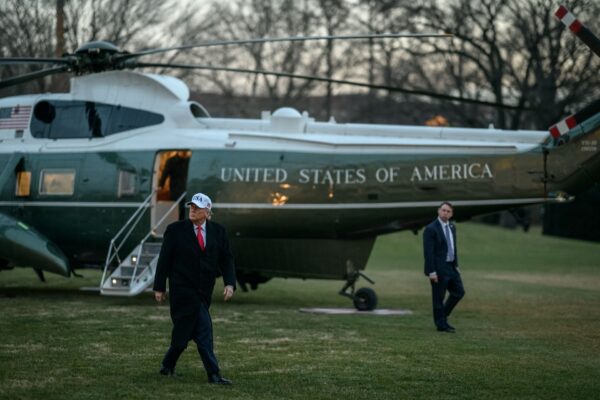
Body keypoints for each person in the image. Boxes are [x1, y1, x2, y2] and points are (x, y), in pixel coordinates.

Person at [153, 192, 236, 384]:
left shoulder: (219, 232)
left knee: (183, 334)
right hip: (182, 291)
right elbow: (164, 260)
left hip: (203, 292)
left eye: (197, 207)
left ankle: (167, 365)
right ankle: (213, 374)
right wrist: (159, 287)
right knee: (204, 332)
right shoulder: (175, 230)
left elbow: (227, 259)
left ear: (207, 211)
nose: (193, 209)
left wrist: (229, 283)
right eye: (192, 206)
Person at [423, 201, 465, 333]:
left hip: (451, 267)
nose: (445, 213)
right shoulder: (431, 229)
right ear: (438, 211)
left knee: (459, 292)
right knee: (438, 298)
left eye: (448, 211)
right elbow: (428, 253)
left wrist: (456, 265)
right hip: (438, 268)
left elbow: (453, 247)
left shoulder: (452, 227)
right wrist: (431, 272)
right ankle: (441, 325)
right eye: (443, 210)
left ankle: (443, 316)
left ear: (451, 214)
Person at [158, 151, 189, 220]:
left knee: (187, 212)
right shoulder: (171, 161)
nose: (183, 153)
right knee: (178, 213)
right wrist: (161, 186)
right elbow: (165, 174)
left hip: (188, 191)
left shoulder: (189, 160)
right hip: (176, 191)